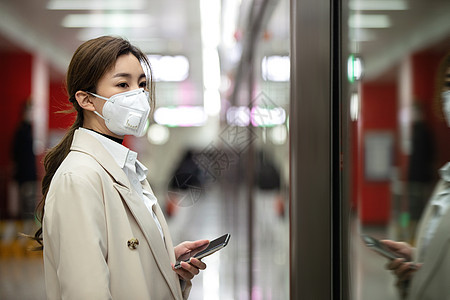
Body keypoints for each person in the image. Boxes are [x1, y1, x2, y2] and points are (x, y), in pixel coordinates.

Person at [32, 36, 208, 299]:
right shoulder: (78, 178)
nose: (137, 94)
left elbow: (124, 260)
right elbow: (86, 291)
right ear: (86, 100)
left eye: (142, 84)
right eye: (122, 84)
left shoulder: (127, 169)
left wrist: (163, 262)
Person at [381, 51, 450, 300]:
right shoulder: (446, 181)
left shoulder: (424, 134)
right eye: (447, 87)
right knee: (412, 216)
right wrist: (419, 260)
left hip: (418, 180)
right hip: (416, 180)